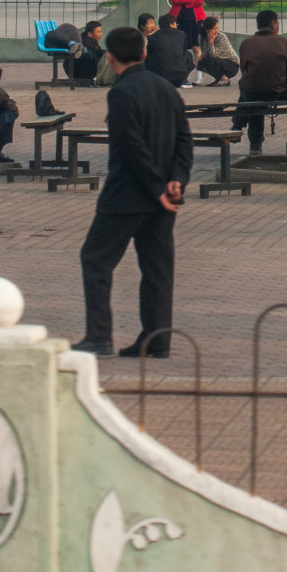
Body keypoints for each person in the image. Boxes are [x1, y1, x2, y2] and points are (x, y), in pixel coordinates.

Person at [72, 26, 193, 358]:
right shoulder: (167, 89)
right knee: (157, 270)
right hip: (163, 199)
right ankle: (157, 340)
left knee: (95, 261)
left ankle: (99, 337)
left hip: (126, 197)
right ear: (143, 52)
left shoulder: (122, 93)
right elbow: (184, 140)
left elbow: (131, 148)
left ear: (110, 59)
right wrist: (176, 182)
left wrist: (157, 188)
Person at [234, 9, 287, 154]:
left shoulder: (246, 43)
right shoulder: (282, 42)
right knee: (259, 91)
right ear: (273, 24)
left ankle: (251, 140)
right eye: (278, 23)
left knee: (250, 95)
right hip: (275, 91)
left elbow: (244, 69)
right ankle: (240, 125)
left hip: (250, 93)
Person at [145, 13, 194, 88]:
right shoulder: (181, 34)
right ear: (171, 24)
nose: (176, 26)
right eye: (175, 24)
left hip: (160, 74)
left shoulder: (152, 37)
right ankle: (184, 80)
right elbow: (184, 49)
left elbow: (150, 53)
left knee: (149, 58)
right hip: (179, 74)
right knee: (188, 55)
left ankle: (152, 80)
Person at [197, 16, 239, 85]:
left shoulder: (221, 37)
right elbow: (205, 51)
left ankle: (224, 79)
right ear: (207, 30)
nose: (216, 30)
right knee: (201, 63)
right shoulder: (201, 37)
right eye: (214, 28)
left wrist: (211, 41)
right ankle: (220, 78)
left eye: (217, 28)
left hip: (231, 65)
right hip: (218, 61)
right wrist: (204, 54)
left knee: (210, 61)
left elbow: (214, 55)